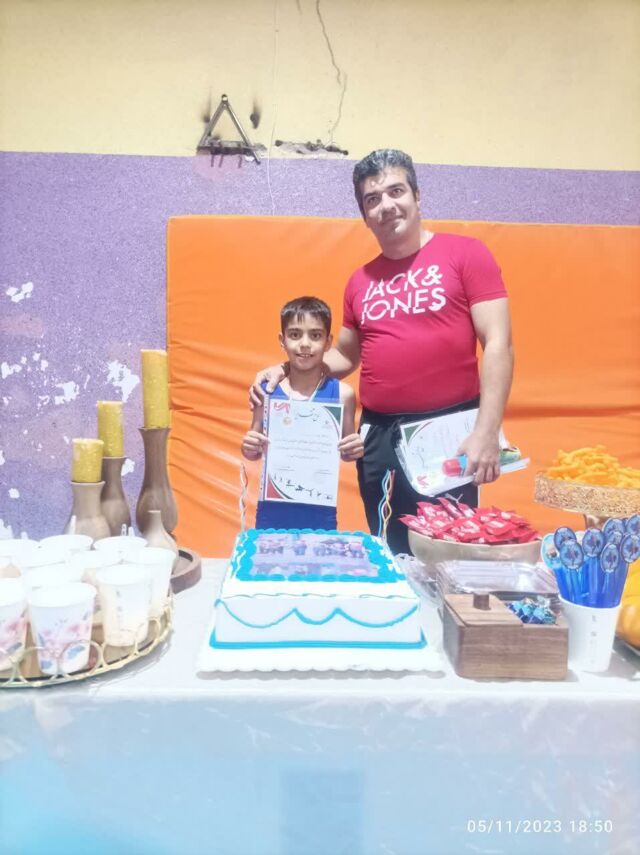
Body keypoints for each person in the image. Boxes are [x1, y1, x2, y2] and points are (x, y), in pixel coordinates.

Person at [252, 150, 513, 553]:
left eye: (396, 191)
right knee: (389, 548)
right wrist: (284, 370)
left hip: (446, 432)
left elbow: (498, 343)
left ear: (417, 196)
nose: (387, 205)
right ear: (365, 214)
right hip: (377, 438)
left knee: (447, 551)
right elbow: (344, 356)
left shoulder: (466, 254)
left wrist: (486, 431)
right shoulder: (360, 281)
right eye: (373, 199)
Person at [243, 296, 363, 530]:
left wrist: (355, 448)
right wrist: (249, 446)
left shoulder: (343, 395)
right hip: (272, 511)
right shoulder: (267, 392)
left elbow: (348, 453)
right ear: (282, 340)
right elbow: (252, 451)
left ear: (328, 342)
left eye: (315, 335)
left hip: (321, 510)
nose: (305, 344)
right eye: (295, 335)